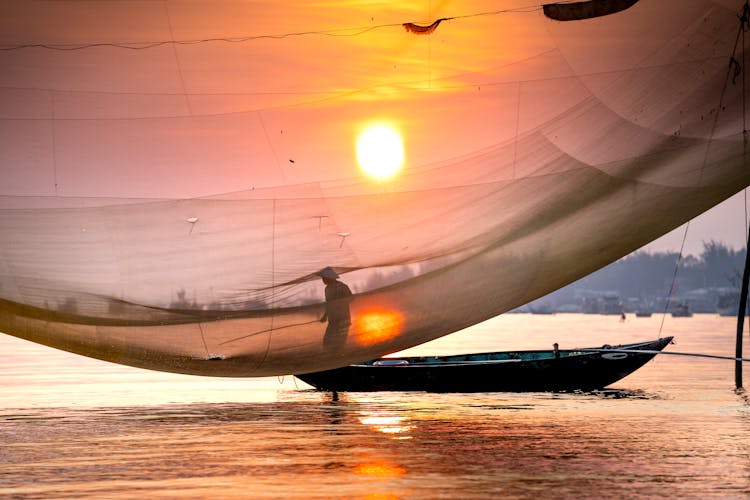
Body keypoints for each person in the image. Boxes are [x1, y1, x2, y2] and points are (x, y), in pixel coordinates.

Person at [317, 267, 353, 349]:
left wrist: (339, 303)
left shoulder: (342, 286)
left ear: (330, 278)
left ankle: (339, 357)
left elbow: (351, 298)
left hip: (343, 318)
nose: (323, 280)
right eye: (322, 278)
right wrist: (325, 316)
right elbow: (328, 304)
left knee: (340, 341)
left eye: (324, 278)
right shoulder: (327, 289)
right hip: (333, 319)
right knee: (328, 341)